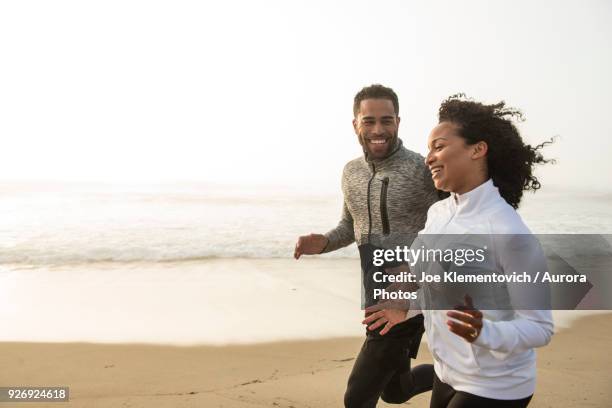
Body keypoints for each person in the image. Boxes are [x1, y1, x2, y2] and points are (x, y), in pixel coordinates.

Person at [364, 94, 555, 407]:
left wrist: (485, 333)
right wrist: (408, 307)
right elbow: (434, 286)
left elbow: (539, 328)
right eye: (429, 149)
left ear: (478, 150)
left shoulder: (509, 233)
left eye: (439, 146)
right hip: (447, 372)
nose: (428, 158)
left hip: (497, 385)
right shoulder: (438, 214)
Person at [294, 84, 439, 407]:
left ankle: (452, 376)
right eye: (369, 120)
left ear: (398, 122)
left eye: (386, 120)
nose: (378, 129)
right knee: (396, 390)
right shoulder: (351, 173)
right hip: (373, 291)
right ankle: (449, 376)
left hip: (409, 294)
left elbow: (454, 225)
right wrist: (325, 241)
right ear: (355, 124)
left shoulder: (422, 170)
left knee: (357, 398)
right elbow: (350, 225)